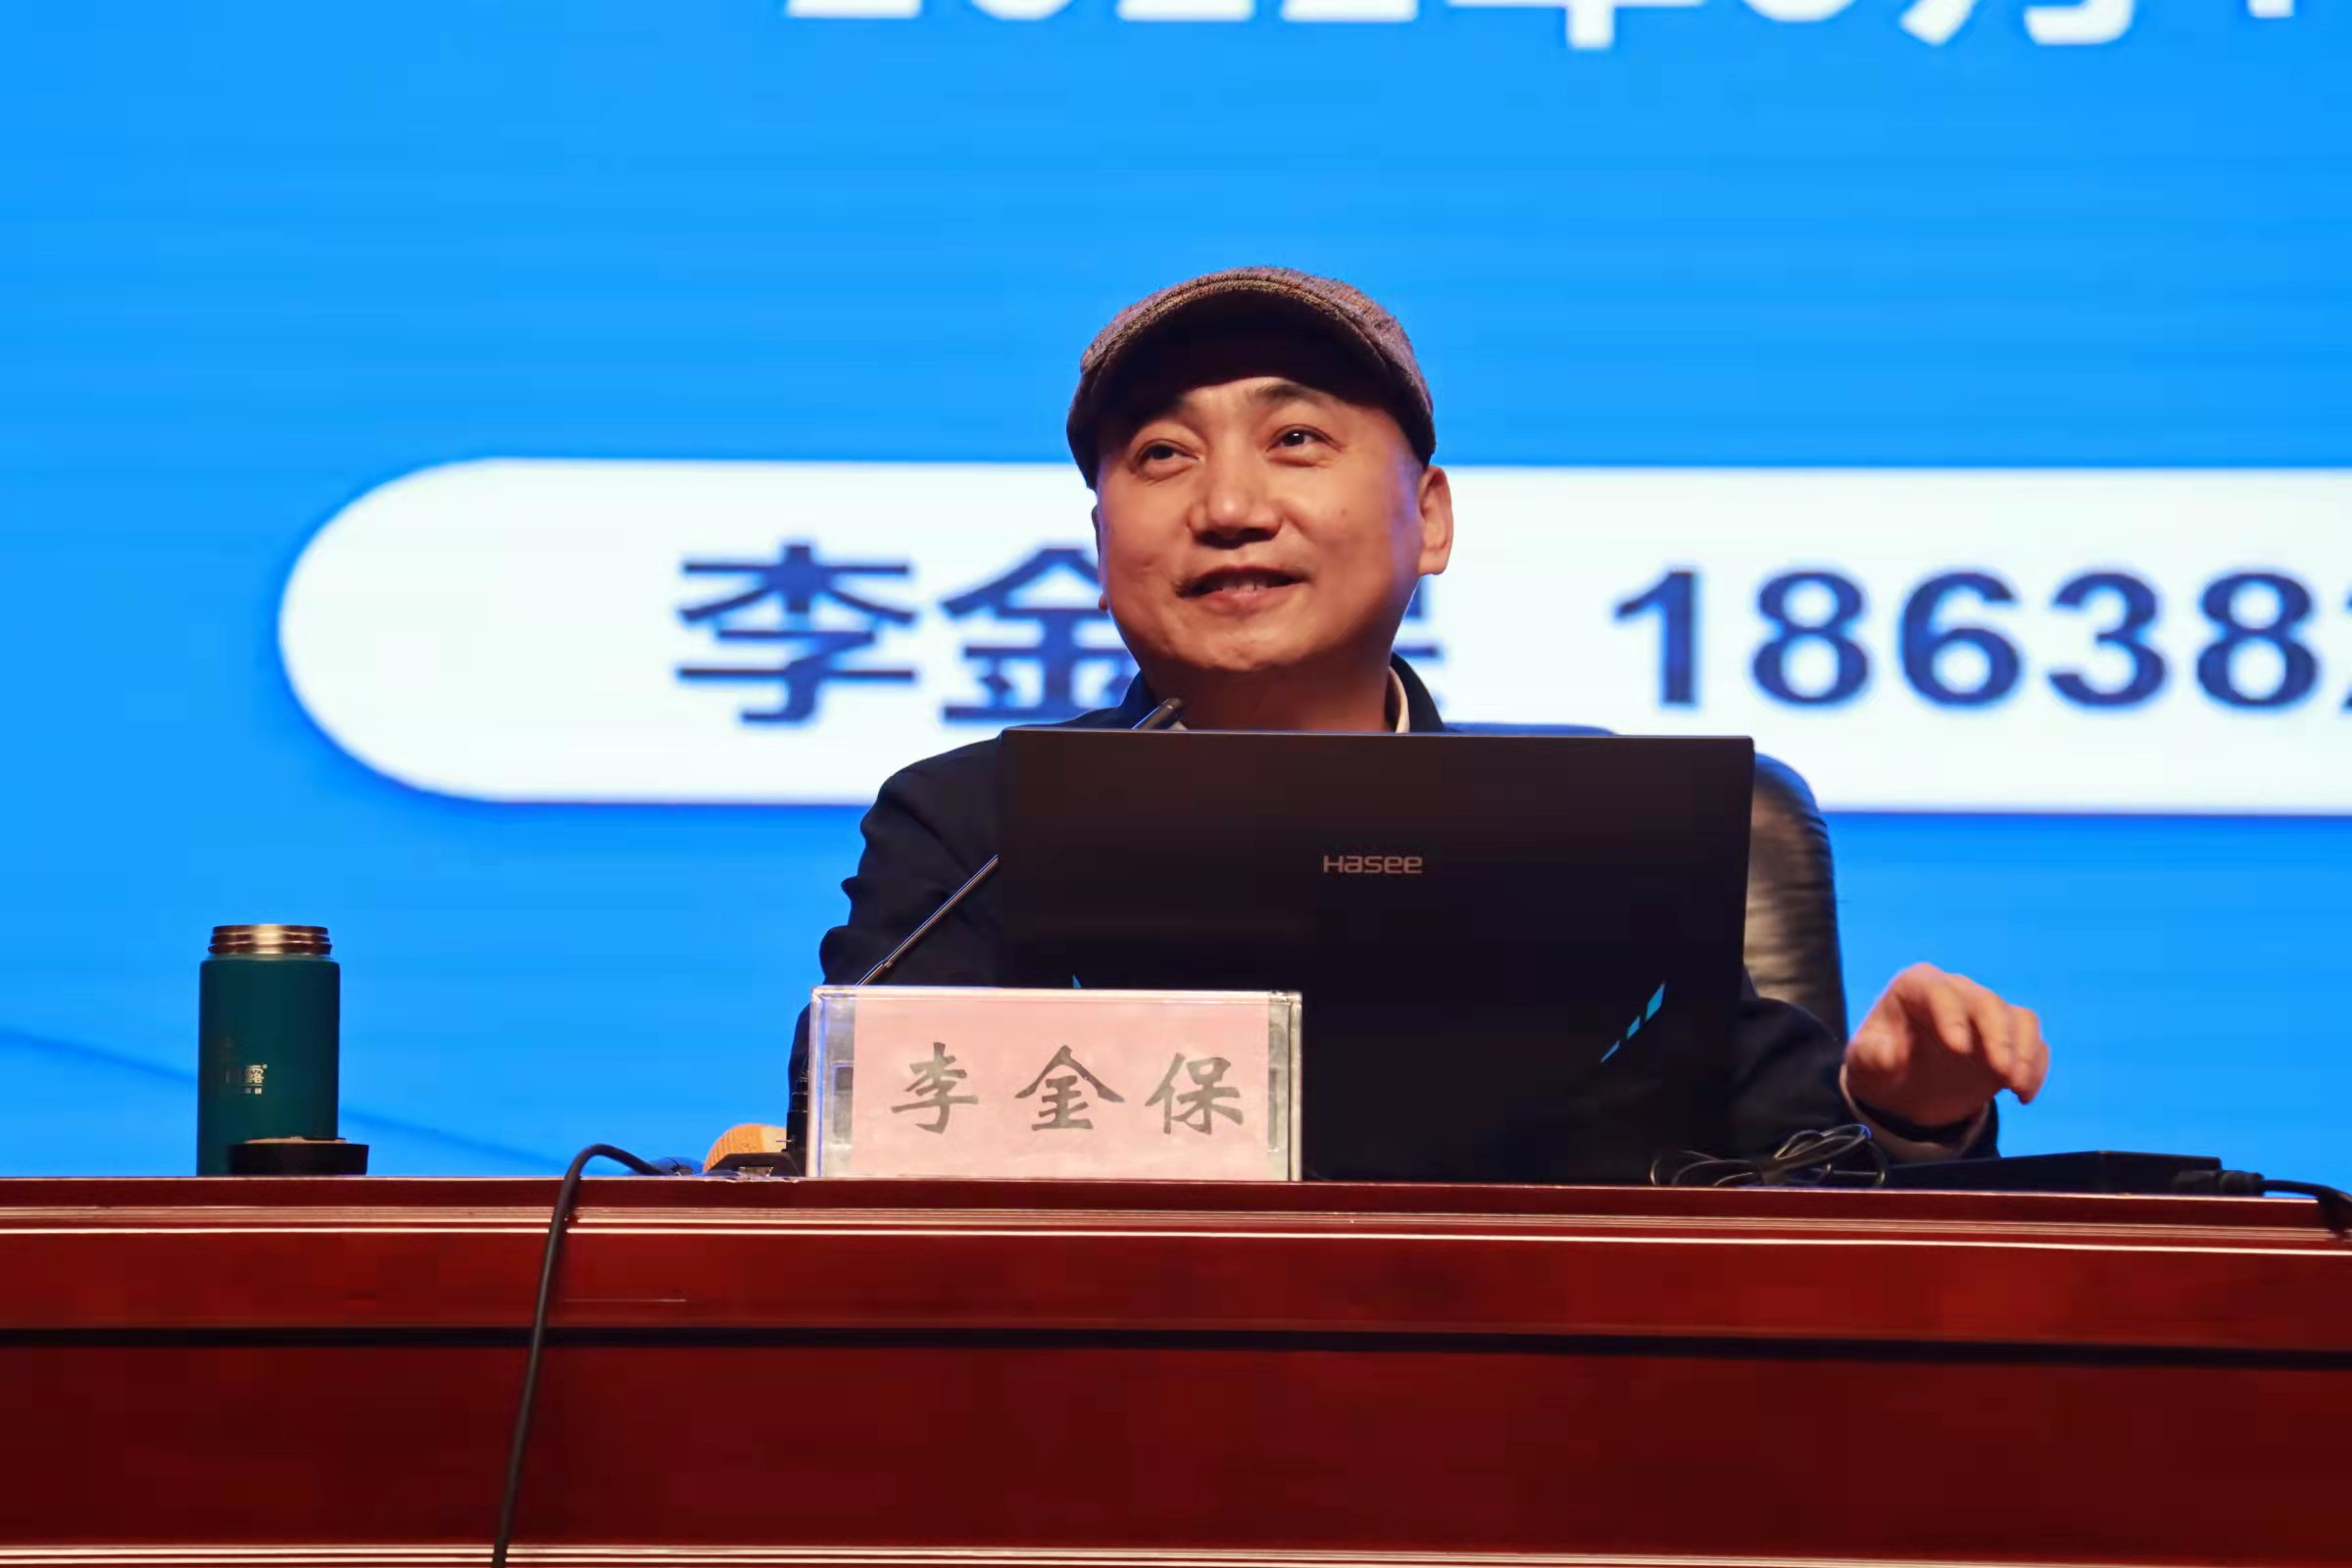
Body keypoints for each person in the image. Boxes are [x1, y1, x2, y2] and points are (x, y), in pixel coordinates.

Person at [786, 267, 2049, 1171]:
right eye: (1163, 455)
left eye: (1296, 438)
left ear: (1429, 519)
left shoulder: (1582, 827)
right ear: (1102, 541)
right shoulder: (973, 828)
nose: (1228, 507)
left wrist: (1913, 1112)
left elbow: (1806, 1189)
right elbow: (864, 1162)